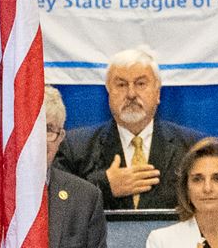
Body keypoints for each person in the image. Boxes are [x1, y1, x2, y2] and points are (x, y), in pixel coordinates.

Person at [55, 47, 197, 212]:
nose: (131, 94)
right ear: (108, 93)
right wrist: (104, 186)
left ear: (158, 94)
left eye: (141, 84)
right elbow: (57, 203)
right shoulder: (75, 148)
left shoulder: (191, 147)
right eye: (121, 84)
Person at [41, 88, 110, 248]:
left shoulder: (84, 198)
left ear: (60, 137)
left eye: (49, 130)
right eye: (32, 127)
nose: (40, 139)